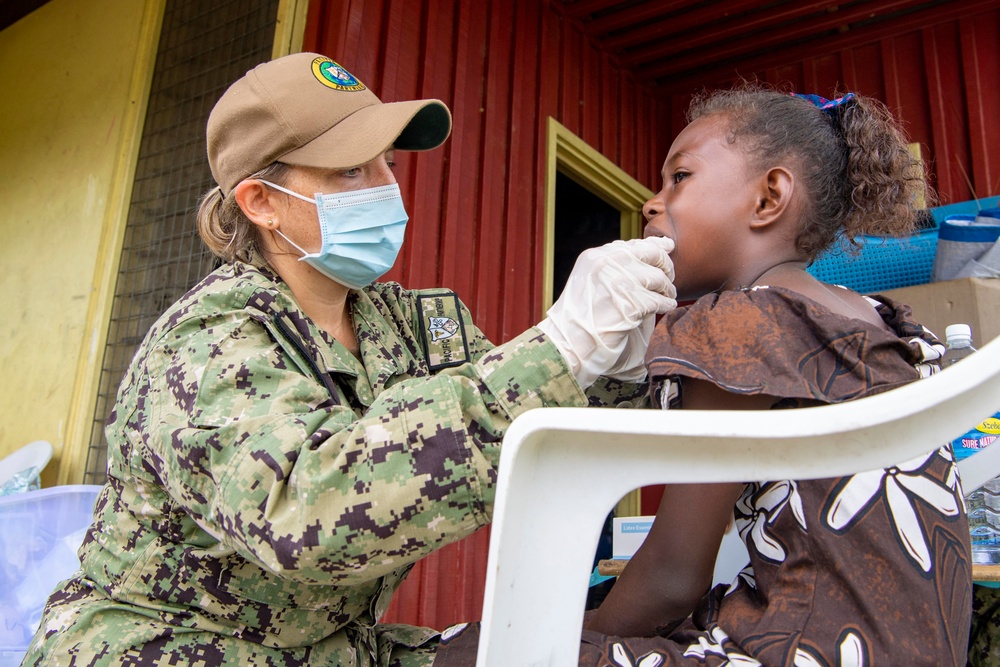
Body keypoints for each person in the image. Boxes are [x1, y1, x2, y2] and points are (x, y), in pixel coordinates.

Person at [22, 52, 677, 666]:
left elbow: (521, 434)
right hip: (169, 647)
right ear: (262, 202)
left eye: (387, 162)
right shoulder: (207, 340)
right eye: (352, 170)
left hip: (329, 646)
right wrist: (559, 346)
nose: (390, 188)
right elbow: (304, 514)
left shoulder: (409, 325)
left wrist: (611, 374)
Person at [431, 87, 973, 666]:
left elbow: (671, 578)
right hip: (910, 650)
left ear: (769, 198)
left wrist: (565, 637)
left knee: (465, 651)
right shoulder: (876, 319)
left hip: (803, 650)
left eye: (679, 177)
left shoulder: (746, 323)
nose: (651, 203)